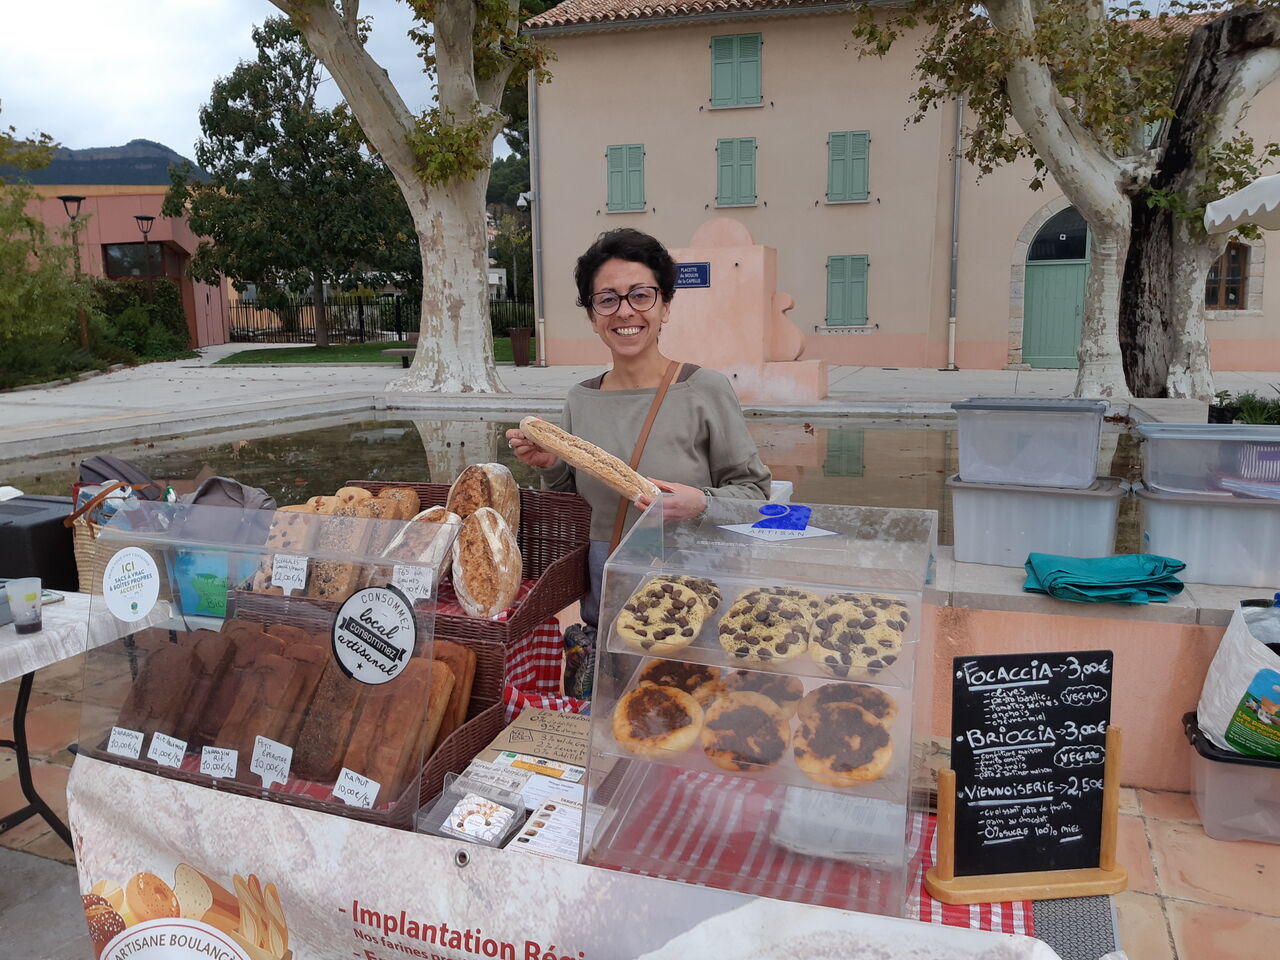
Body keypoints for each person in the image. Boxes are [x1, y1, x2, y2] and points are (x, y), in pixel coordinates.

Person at [506, 228, 770, 691]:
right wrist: (552, 467)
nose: (625, 311)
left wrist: (701, 502)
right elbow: (575, 504)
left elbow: (755, 494)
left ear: (665, 306)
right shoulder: (580, 399)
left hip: (694, 606)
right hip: (609, 606)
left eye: (640, 296)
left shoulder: (703, 390)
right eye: (606, 299)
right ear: (592, 316)